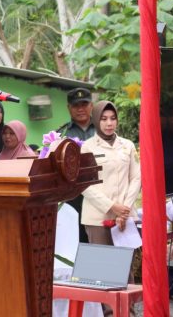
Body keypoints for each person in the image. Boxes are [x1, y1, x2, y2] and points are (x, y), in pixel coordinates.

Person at [80, 100, 141, 316]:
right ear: (96, 120)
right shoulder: (87, 147)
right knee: (104, 272)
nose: (109, 123)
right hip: (98, 218)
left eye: (113, 118)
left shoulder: (127, 145)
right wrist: (112, 206)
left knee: (126, 270)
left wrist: (124, 209)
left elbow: (136, 177)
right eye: (104, 119)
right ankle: (109, 313)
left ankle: (129, 312)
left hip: (124, 216)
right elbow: (84, 184)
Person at [57, 87, 96, 243]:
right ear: (69, 108)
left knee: (103, 239)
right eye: (75, 105)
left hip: (103, 191)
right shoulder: (61, 133)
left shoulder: (104, 129)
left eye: (84, 104)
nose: (80, 109)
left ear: (91, 106)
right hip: (74, 196)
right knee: (78, 237)